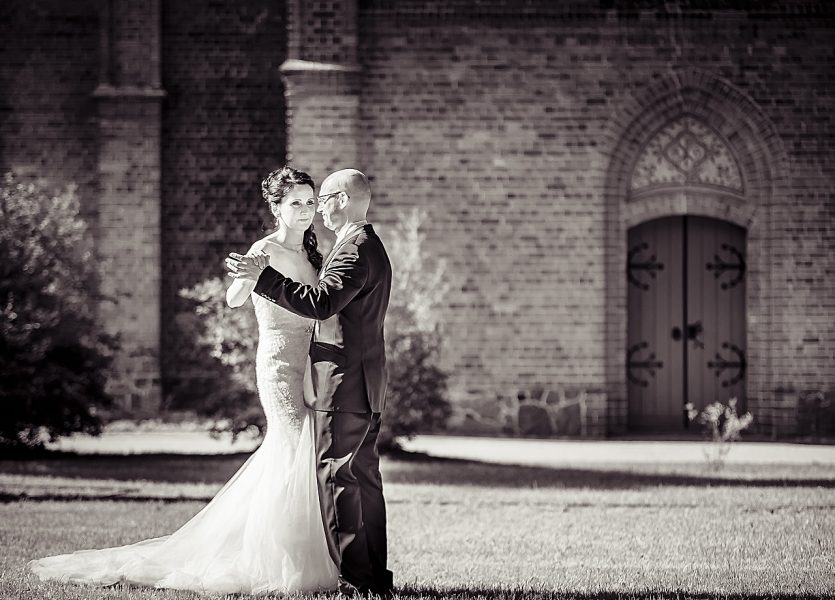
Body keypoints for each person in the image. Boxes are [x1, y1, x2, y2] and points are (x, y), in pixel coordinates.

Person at [27, 166, 339, 595]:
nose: (305, 211)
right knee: (294, 446)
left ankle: (308, 554)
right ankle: (283, 562)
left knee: (307, 450)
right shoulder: (263, 249)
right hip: (279, 364)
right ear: (276, 207)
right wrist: (250, 273)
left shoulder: (314, 252)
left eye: (309, 202)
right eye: (295, 204)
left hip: (311, 363)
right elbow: (233, 300)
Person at [226, 168, 394, 597]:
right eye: (300, 202)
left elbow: (321, 304)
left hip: (342, 381)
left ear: (339, 199)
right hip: (331, 374)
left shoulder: (352, 249)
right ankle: (372, 577)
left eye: (318, 200)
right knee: (360, 479)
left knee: (338, 477)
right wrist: (254, 274)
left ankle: (357, 581)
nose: (314, 209)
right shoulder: (360, 244)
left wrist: (264, 277)